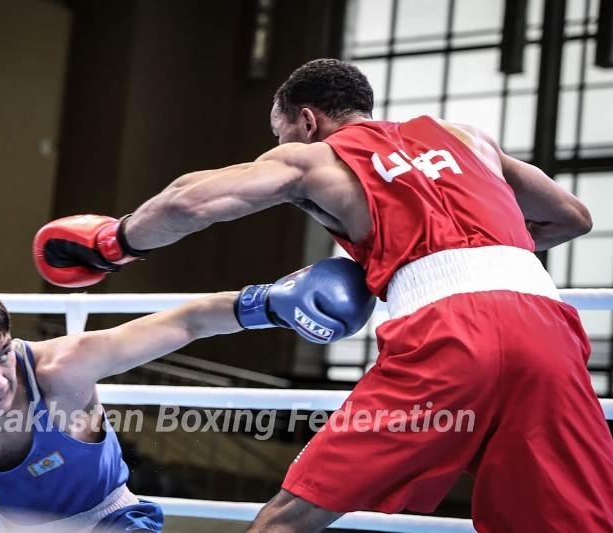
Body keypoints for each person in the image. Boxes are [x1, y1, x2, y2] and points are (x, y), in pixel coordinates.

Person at [32, 58, 613, 532]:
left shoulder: (315, 158)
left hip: (449, 334)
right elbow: (572, 217)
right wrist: (475, 252)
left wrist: (114, 243)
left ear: (306, 120)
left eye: (278, 133)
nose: (277, 144)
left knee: (290, 519)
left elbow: (191, 199)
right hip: (548, 330)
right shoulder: (467, 139)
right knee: (566, 520)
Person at [0, 258, 375, 531]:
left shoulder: (62, 369)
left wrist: (269, 304)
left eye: (2, 354)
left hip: (107, 522)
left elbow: (185, 322)